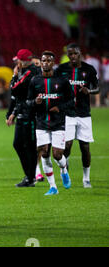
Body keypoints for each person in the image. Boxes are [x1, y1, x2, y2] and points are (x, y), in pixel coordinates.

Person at [27, 51, 74, 196]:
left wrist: (59, 108)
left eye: (48, 60)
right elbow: (28, 102)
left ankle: (64, 169)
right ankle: (53, 187)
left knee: (57, 155)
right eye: (43, 60)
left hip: (58, 122)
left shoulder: (62, 81)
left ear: (53, 63)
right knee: (44, 152)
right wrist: (35, 102)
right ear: (40, 63)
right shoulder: (35, 81)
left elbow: (71, 100)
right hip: (41, 122)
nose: (45, 63)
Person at [55, 44, 99, 188]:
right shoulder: (61, 69)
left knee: (85, 147)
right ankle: (65, 171)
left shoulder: (89, 69)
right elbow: (55, 85)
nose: (72, 56)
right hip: (67, 113)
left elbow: (97, 88)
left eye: (74, 53)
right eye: (69, 54)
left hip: (84, 114)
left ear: (80, 53)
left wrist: (89, 91)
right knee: (66, 146)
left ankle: (86, 179)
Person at [6, 49, 41, 187]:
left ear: (22, 61)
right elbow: (19, 97)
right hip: (23, 112)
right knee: (19, 144)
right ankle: (29, 176)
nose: (16, 63)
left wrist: (14, 76)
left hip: (31, 114)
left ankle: (30, 177)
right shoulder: (27, 72)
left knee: (30, 146)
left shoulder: (30, 72)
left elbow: (14, 89)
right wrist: (13, 113)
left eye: (18, 60)